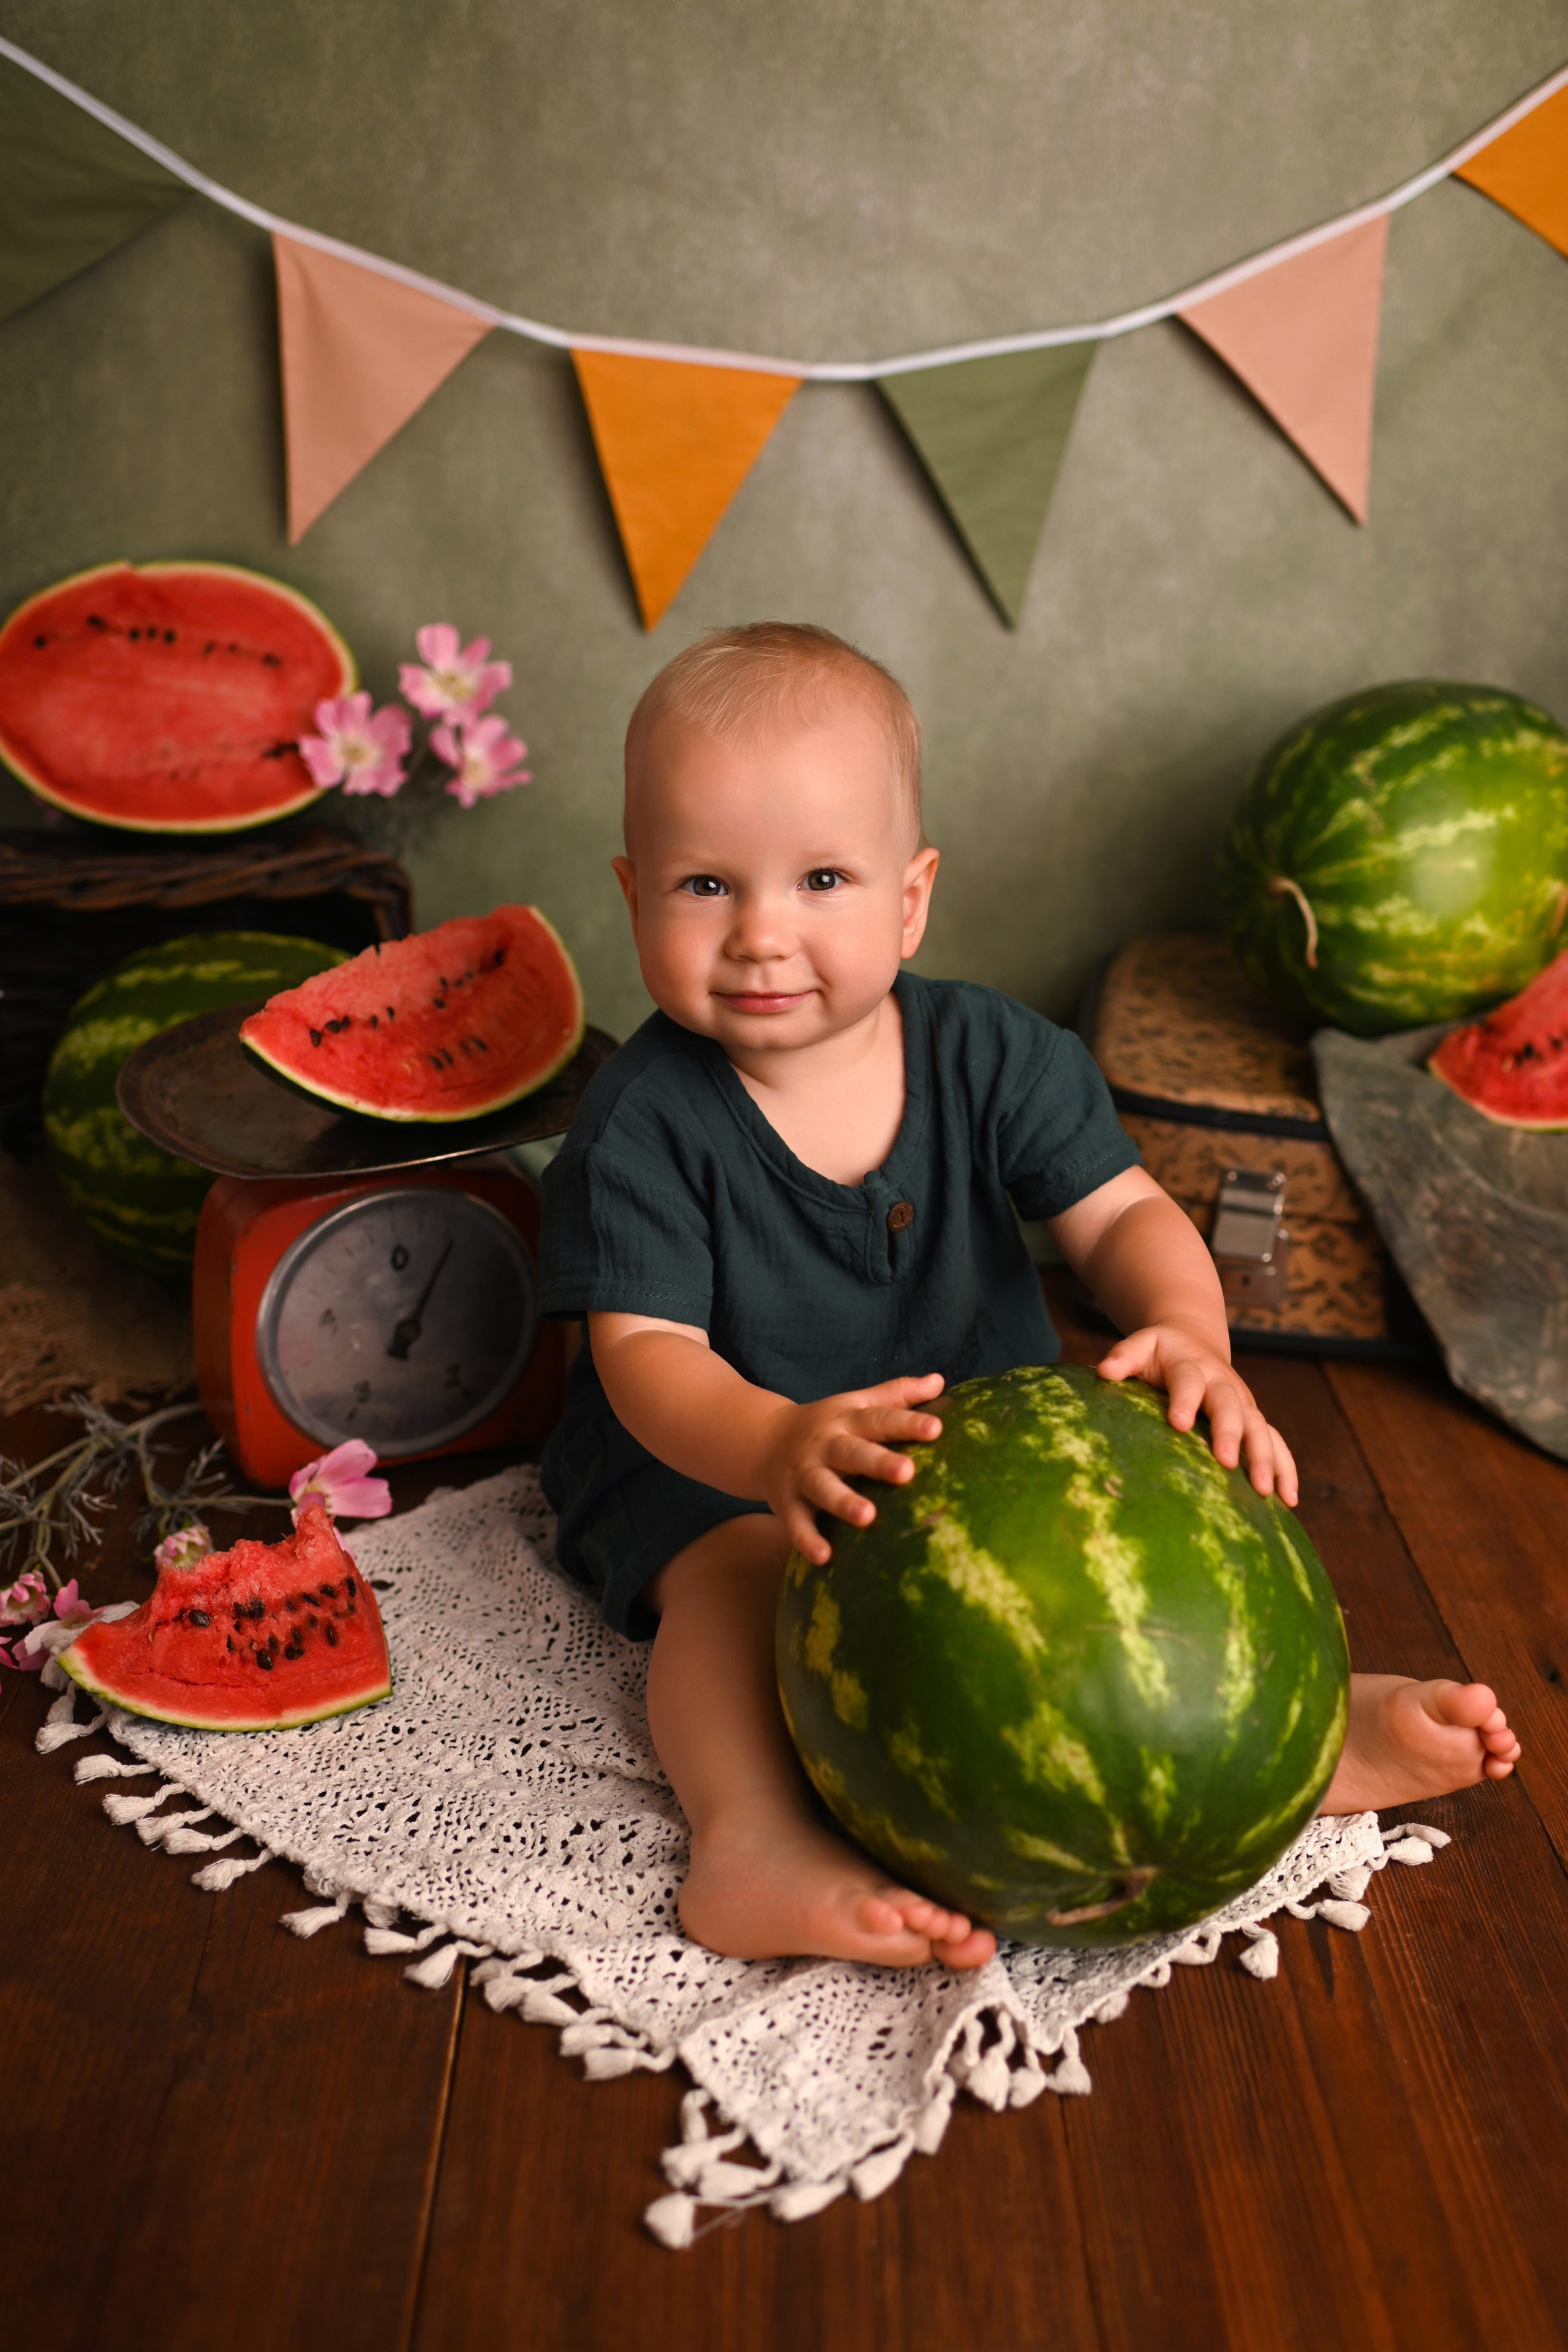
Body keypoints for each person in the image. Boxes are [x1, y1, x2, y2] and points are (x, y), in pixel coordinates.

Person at [538, 622, 1520, 1972]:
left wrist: (1185, 1331)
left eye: (821, 877)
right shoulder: (643, 1119)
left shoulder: (990, 1052)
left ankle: (1290, 1746)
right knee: (734, 1587)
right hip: (714, 1452)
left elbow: (1119, 1214)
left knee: (1176, 1510)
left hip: (983, 1424)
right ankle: (747, 1839)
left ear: (908, 897)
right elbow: (645, 1353)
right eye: (705, 884)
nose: (761, 934)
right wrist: (772, 1447)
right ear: (633, 890)